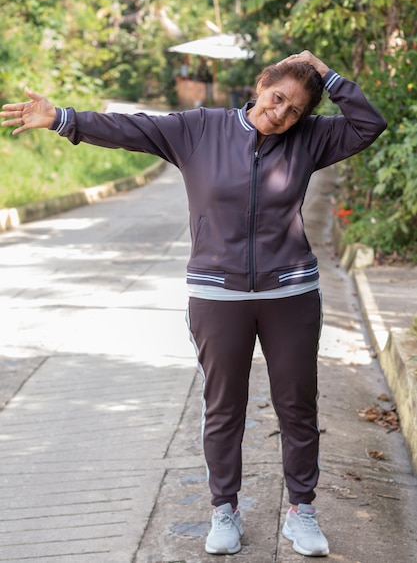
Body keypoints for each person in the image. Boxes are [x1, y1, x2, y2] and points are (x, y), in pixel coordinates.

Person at [0, 50, 387, 557]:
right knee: (224, 407)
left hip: (290, 292)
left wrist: (329, 75)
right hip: (216, 292)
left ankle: (302, 512)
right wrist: (62, 119)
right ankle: (224, 509)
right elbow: (129, 129)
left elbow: (369, 123)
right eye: (276, 100)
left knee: (297, 406)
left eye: (295, 110)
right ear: (260, 84)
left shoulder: (310, 138)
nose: (281, 115)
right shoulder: (199, 129)